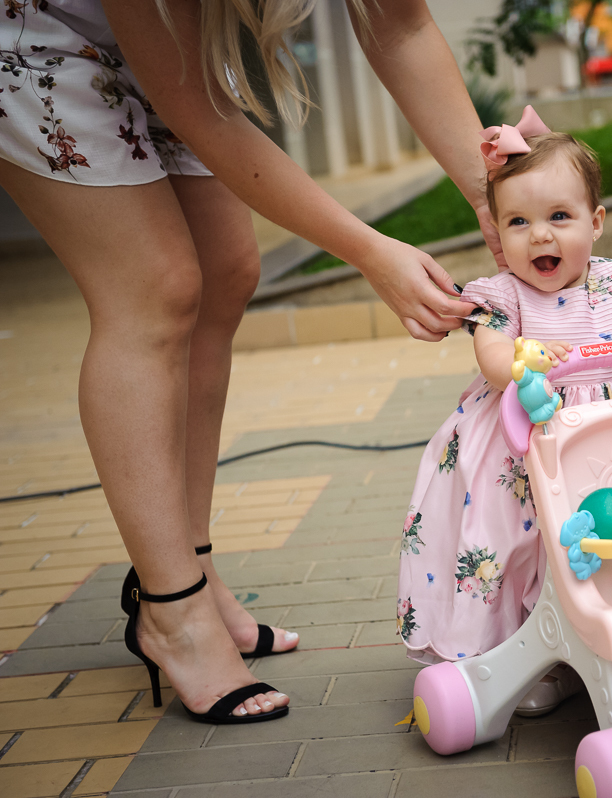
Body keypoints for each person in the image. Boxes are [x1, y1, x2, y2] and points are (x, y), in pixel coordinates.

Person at [0, 0, 499, 723]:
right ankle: (171, 611)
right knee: (154, 286)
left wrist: (497, 196)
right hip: (35, 29)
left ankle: (190, 573)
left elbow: (401, 25)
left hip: (164, 40)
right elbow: (196, 108)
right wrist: (368, 250)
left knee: (227, 269)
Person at [396, 110, 612, 716]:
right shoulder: (503, 296)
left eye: (560, 217)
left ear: (595, 221)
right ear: (499, 235)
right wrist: (521, 360)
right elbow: (492, 356)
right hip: (525, 437)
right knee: (516, 545)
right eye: (520, 222)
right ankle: (519, 655)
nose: (541, 237)